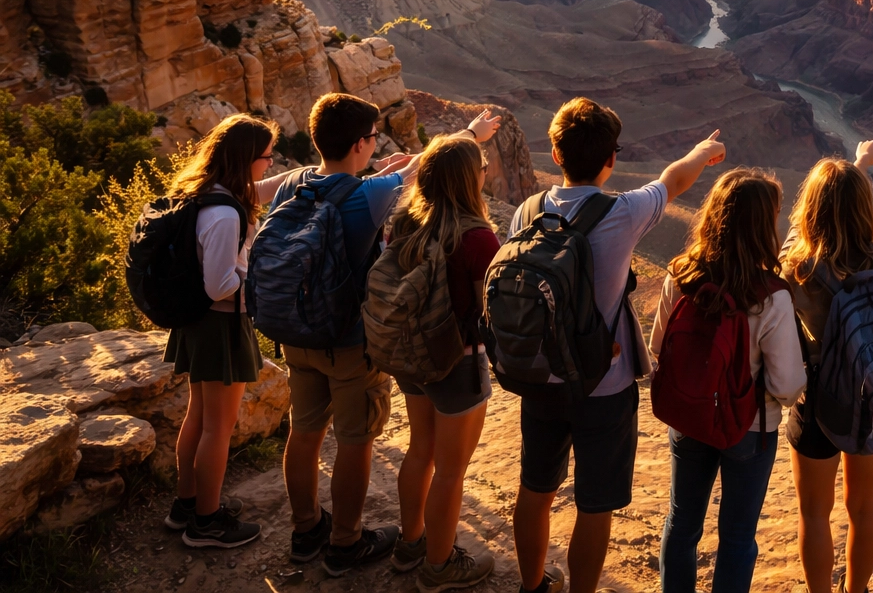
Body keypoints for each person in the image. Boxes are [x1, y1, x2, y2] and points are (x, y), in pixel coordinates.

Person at [273, 93, 502, 577]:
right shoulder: (470, 234)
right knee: (435, 465)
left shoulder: (388, 216)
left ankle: (389, 540)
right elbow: (495, 304)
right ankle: (424, 562)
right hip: (432, 355)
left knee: (407, 448)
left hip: (328, 339)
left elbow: (425, 168)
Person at [510, 98, 725, 593]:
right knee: (595, 504)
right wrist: (701, 152)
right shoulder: (622, 212)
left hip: (540, 375)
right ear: (611, 158)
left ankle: (531, 585)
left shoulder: (527, 210)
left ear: (556, 154)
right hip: (602, 386)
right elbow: (673, 180)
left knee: (535, 487)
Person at [782, 137, 873, 593]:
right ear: (866, 208)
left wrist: (857, 165)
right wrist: (861, 167)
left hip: (818, 403)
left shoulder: (798, 267)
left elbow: (795, 238)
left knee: (814, 513)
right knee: (865, 508)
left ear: (810, 210)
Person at [649, 168, 806, 593]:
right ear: (762, 225)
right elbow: (787, 386)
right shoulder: (771, 295)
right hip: (748, 429)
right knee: (737, 538)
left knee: (682, 523)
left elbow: (659, 346)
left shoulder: (681, 275)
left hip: (688, 414)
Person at [163, 113, 297, 547]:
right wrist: (261, 278)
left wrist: (321, 172)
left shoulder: (207, 193)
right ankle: (206, 521)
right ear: (244, 159)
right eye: (267, 156)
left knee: (199, 417)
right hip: (220, 323)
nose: (271, 163)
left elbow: (267, 187)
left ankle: (187, 504)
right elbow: (219, 285)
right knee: (218, 427)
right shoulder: (224, 215)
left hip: (199, 322)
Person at [388, 135, 502, 590]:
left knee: (421, 449)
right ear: (469, 179)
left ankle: (410, 543)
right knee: (452, 471)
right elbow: (488, 312)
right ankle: (439, 566)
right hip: (458, 363)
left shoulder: (404, 223)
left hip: (410, 354)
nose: (485, 173)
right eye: (482, 167)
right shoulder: (477, 238)